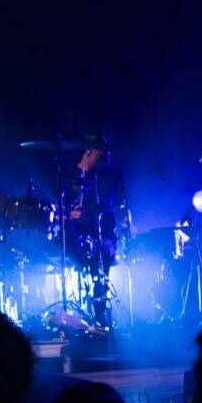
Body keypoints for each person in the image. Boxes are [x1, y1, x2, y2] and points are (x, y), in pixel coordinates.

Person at [61, 134, 126, 329]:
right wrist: (68, 214)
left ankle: (99, 314)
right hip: (76, 235)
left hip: (104, 235)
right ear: (88, 151)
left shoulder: (111, 175)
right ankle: (72, 314)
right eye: (101, 153)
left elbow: (120, 204)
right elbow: (58, 211)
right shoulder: (69, 177)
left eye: (108, 153)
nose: (106, 157)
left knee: (101, 256)